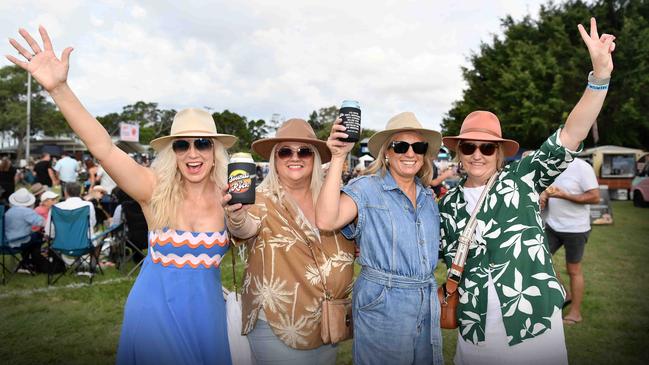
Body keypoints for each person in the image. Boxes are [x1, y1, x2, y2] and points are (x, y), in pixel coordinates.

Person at [8, 26, 237, 364]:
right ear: (172, 151)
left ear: (216, 150)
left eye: (202, 143)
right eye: (182, 144)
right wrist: (59, 89)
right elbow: (103, 147)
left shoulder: (231, 198)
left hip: (207, 317)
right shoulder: (152, 189)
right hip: (154, 313)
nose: (193, 153)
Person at [437, 17, 615, 365]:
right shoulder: (447, 206)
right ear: (458, 151)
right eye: (469, 147)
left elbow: (572, 134)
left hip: (534, 324)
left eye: (487, 148)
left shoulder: (522, 179)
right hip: (476, 330)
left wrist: (599, 79)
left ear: (500, 152)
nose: (477, 154)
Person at [316, 112, 444, 365]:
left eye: (418, 147)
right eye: (401, 146)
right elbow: (326, 221)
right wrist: (339, 156)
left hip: (426, 302)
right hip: (383, 302)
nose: (410, 153)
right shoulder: (366, 189)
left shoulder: (428, 197)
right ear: (386, 152)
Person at [224, 119, 355, 365]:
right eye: (285, 151)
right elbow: (244, 227)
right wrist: (236, 216)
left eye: (304, 151)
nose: (295, 157)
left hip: (329, 325)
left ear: (315, 158)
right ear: (275, 159)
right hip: (278, 326)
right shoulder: (258, 200)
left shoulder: (333, 201)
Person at [541, 157, 600, 326]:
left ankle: (575, 313)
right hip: (552, 224)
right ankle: (565, 293)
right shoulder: (551, 165)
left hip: (576, 228)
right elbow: (545, 188)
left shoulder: (582, 167)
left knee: (573, 269)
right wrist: (544, 194)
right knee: (539, 259)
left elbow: (595, 197)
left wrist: (564, 195)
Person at [4, 188, 45, 270]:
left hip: (5, 242)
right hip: (20, 242)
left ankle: (26, 262)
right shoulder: (27, 211)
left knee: (33, 237)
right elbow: (42, 223)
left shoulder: (9, 212)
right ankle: (29, 262)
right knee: (38, 237)